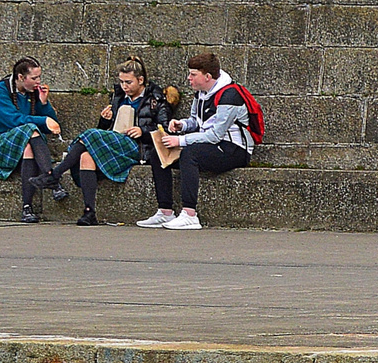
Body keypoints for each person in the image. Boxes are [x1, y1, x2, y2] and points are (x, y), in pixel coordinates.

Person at [35, 57, 175, 226]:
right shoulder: (118, 98)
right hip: (115, 145)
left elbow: (165, 130)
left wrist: (143, 131)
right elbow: (107, 131)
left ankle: (55, 174)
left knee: (91, 135)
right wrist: (104, 121)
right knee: (86, 156)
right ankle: (89, 212)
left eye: (129, 82)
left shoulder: (156, 100)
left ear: (141, 80)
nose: (124, 86)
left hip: (138, 148)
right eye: (122, 82)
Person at [139, 52, 253, 230]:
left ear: (207, 76)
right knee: (157, 153)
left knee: (190, 154)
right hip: (211, 144)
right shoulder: (200, 93)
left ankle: (190, 214)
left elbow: (215, 134)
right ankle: (165, 211)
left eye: (193, 74)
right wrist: (182, 125)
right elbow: (197, 121)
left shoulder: (229, 96)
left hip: (234, 150)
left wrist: (181, 140)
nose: (189, 78)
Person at [0, 57, 65, 224]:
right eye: (34, 78)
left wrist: (44, 104)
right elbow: (11, 119)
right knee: (30, 129)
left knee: (29, 146)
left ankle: (27, 208)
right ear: (21, 77)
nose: (38, 82)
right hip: (4, 143)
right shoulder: (1, 90)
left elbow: (51, 125)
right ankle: (53, 179)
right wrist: (42, 121)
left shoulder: (33, 92)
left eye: (39, 77)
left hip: (26, 143)